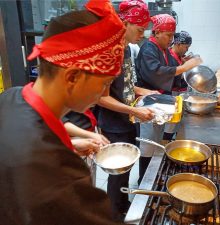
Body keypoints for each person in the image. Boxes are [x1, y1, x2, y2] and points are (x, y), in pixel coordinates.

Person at [0, 1, 127, 224]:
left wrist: (67, 145)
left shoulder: (11, 97)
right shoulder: (57, 175)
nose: (105, 92)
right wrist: (58, 156)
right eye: (105, 82)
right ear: (72, 77)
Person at [96, 0, 157, 221]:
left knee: (127, 171)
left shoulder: (127, 50)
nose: (142, 34)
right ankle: (112, 214)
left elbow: (126, 86)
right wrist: (138, 112)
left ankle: (122, 204)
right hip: (113, 125)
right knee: (117, 176)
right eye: (140, 29)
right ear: (124, 23)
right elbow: (101, 98)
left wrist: (145, 92)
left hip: (128, 120)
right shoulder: (110, 52)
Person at [135, 14, 202, 183]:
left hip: (159, 101)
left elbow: (171, 65)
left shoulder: (162, 49)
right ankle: (143, 179)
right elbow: (156, 72)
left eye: (173, 35)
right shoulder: (148, 48)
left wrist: (183, 62)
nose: (171, 39)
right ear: (156, 32)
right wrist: (184, 67)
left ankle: (151, 176)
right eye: (168, 35)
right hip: (147, 101)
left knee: (156, 141)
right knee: (148, 144)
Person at [163, 30, 193, 141]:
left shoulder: (177, 56)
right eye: (186, 47)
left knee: (175, 122)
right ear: (178, 44)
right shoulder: (169, 56)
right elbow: (170, 76)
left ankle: (170, 139)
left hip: (179, 93)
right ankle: (166, 143)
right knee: (170, 123)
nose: (187, 50)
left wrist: (184, 62)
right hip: (172, 94)